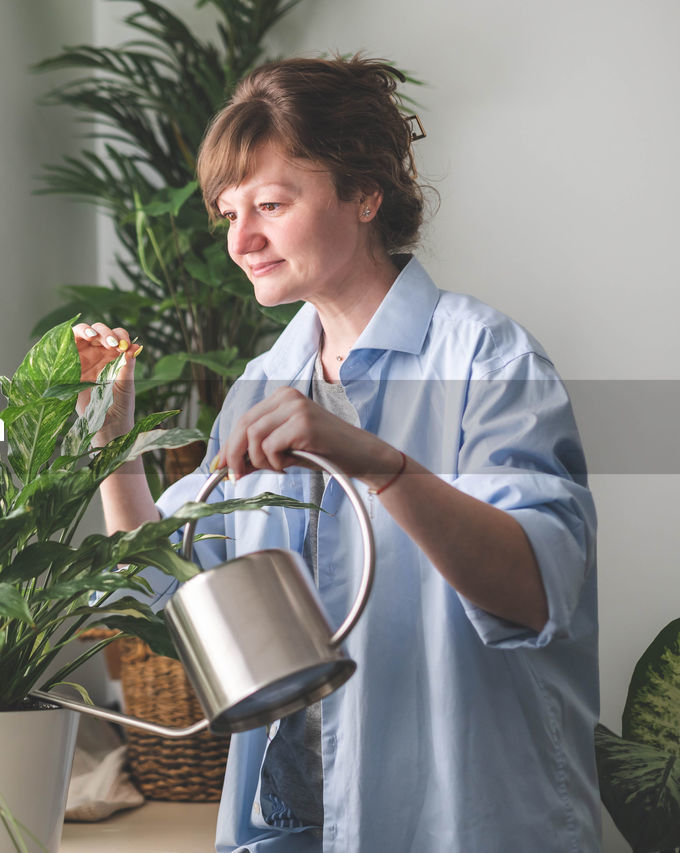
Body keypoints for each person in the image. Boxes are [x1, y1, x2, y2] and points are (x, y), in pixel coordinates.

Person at [72, 56, 599, 852]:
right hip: (290, 829)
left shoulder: (488, 358)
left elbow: (533, 591)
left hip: (462, 824)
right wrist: (113, 447)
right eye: (228, 214)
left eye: (272, 205)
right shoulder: (262, 385)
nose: (242, 240)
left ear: (363, 193)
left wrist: (374, 460)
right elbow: (168, 596)